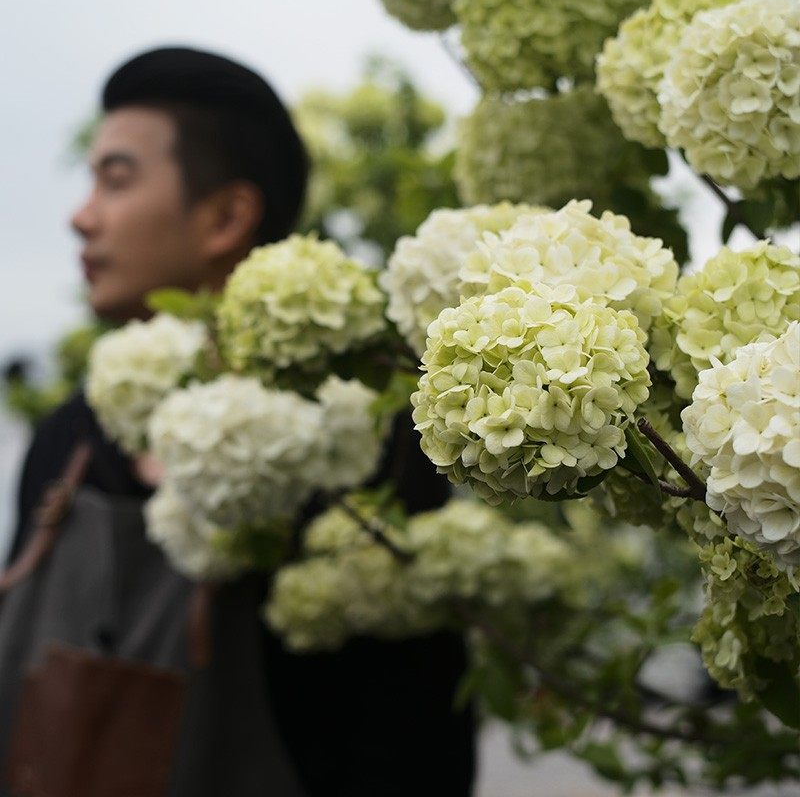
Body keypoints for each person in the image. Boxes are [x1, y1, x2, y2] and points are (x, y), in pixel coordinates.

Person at [4, 46, 475, 796]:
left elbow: (415, 746)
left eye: (115, 180)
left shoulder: (361, 440)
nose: (81, 216)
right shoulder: (72, 437)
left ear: (226, 217)